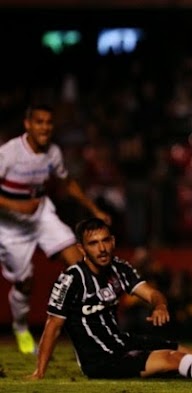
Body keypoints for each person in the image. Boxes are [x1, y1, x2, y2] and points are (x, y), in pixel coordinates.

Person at [29, 217, 192, 382]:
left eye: (105, 241)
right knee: (170, 359)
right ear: (82, 249)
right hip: (101, 359)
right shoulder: (71, 279)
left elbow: (152, 293)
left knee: (187, 352)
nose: (101, 248)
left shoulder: (120, 269)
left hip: (122, 342)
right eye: (93, 244)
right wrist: (40, 371)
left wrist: (160, 305)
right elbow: (53, 326)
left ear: (112, 241)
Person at [0, 104, 111, 354]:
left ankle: (92, 333)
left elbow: (68, 182)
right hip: (10, 228)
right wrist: (16, 206)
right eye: (39, 122)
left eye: (48, 122)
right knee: (24, 283)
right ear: (27, 124)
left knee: (81, 265)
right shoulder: (8, 154)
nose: (45, 127)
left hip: (41, 216)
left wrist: (93, 209)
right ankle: (20, 327)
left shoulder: (53, 152)